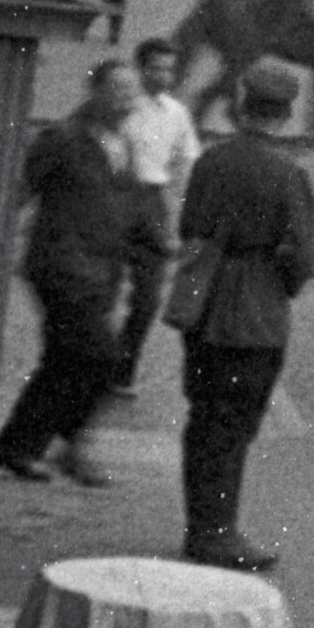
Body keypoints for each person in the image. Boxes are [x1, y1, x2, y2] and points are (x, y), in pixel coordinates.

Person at [0, 60, 165, 485]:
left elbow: (132, 208)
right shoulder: (62, 139)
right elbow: (19, 191)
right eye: (118, 89)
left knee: (63, 359)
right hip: (61, 267)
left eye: (133, 91)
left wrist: (158, 245)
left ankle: (18, 447)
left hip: (101, 272)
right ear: (94, 90)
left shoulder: (126, 143)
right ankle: (70, 444)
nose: (127, 99)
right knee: (100, 356)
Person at [173, 57, 314, 571]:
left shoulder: (210, 161)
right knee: (235, 423)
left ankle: (201, 525)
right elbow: (303, 256)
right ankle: (219, 532)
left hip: (205, 301)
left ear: (242, 106)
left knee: (204, 416)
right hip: (256, 310)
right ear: (286, 113)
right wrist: (283, 279)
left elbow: (189, 225)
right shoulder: (288, 174)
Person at [113, 37, 202, 393]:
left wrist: (176, 206)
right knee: (101, 288)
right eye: (156, 68)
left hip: (153, 205)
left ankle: (123, 369)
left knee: (148, 297)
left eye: (169, 69)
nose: (164, 76)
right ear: (140, 68)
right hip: (117, 200)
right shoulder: (122, 108)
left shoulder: (176, 113)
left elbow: (188, 159)